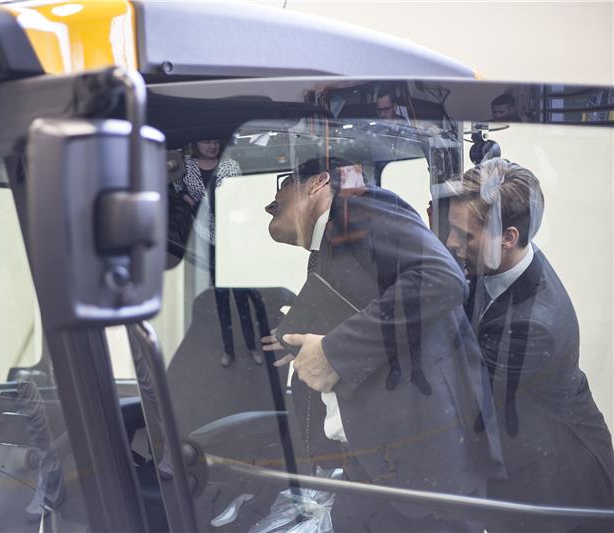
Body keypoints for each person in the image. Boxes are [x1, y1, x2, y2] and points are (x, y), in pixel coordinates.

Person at [262, 157, 505, 530]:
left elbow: (441, 278)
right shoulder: (336, 238)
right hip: (384, 466)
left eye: (281, 188)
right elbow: (376, 300)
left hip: (420, 476)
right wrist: (303, 335)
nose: (270, 206)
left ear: (317, 183)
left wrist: (333, 352)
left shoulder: (360, 207)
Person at [445, 158, 614, 531]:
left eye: (464, 236)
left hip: (557, 486)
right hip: (521, 456)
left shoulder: (534, 326)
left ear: (509, 237)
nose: (451, 243)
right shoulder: (503, 259)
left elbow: (457, 396)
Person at [171, 139, 264, 367]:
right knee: (221, 298)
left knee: (241, 297)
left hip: (233, 239)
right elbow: (176, 185)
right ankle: (228, 350)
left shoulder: (230, 166)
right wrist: (191, 202)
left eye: (215, 142)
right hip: (208, 240)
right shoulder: (187, 166)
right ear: (196, 143)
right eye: (206, 141)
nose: (212, 146)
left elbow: (240, 201)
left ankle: (251, 346)